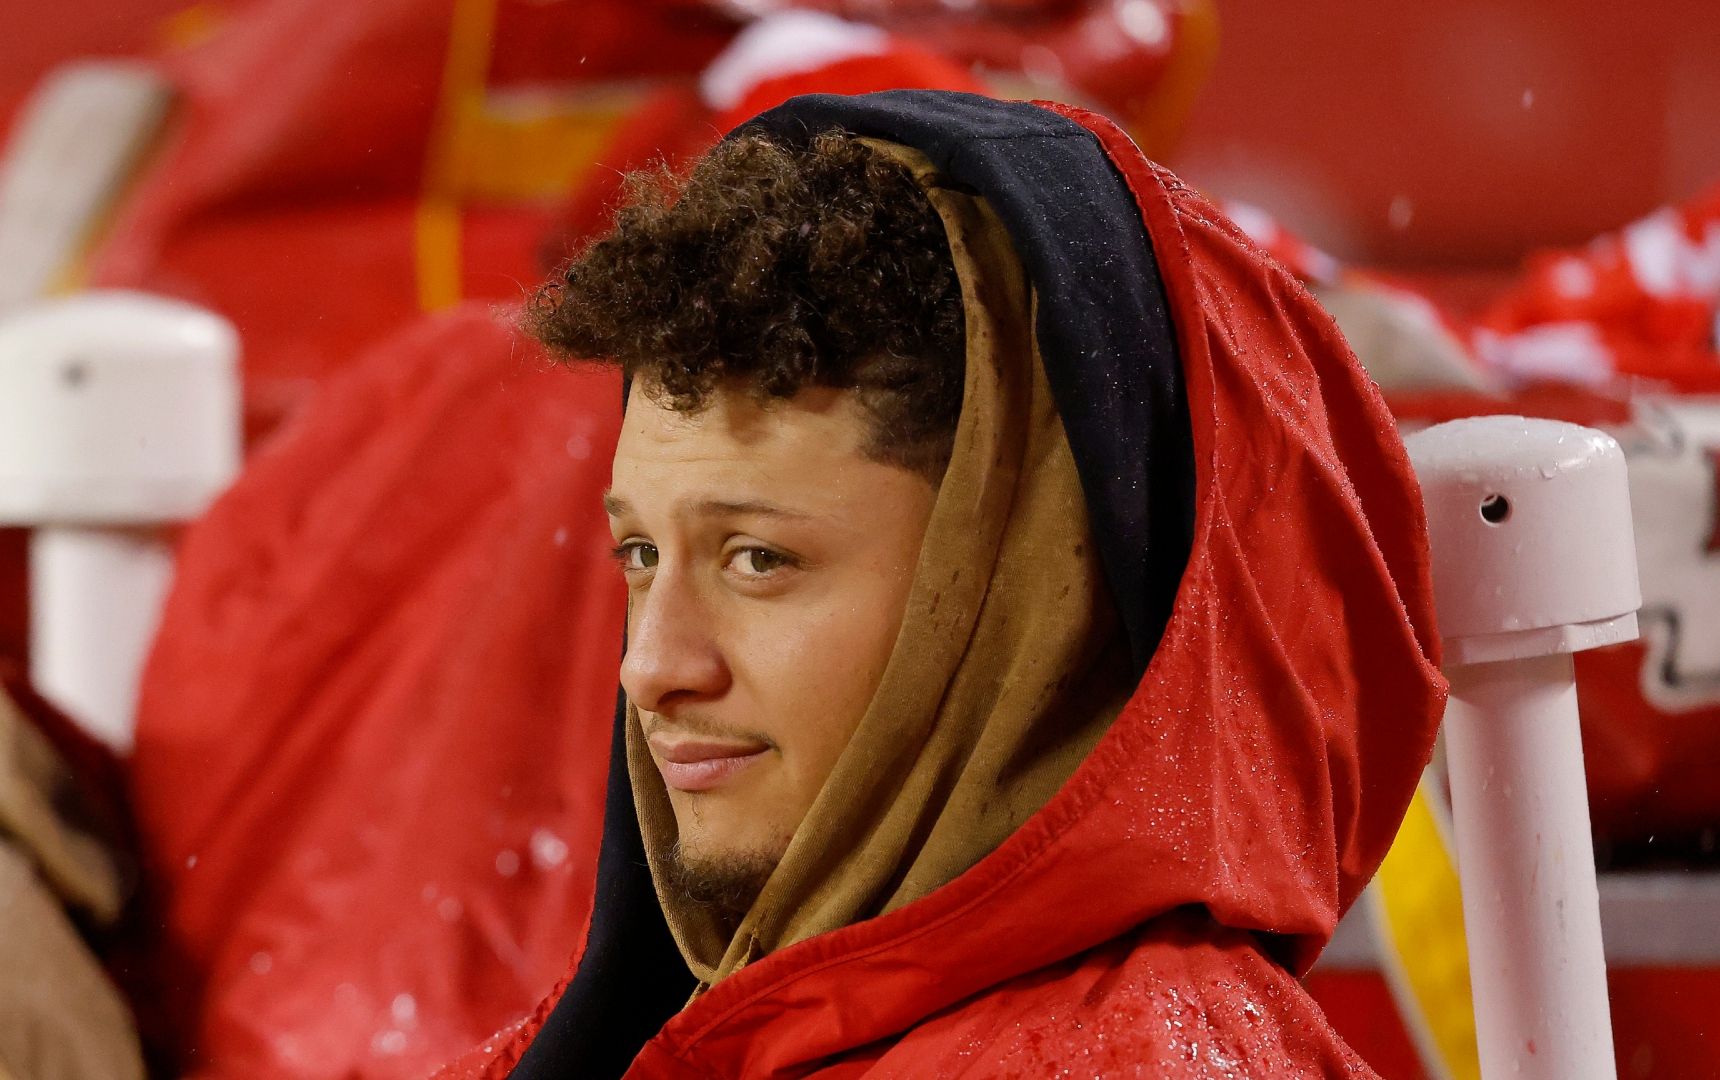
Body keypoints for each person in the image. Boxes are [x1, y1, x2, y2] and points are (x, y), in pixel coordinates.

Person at [445, 89, 1448, 1078]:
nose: (653, 667)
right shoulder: (718, 1021)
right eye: (642, 556)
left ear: (1021, 607)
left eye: (759, 560)